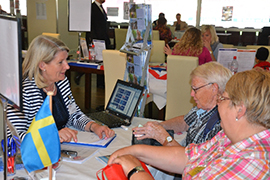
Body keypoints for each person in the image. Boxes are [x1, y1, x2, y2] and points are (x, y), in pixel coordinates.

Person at [108, 68, 270, 179]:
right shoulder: (231, 137)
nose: (219, 103)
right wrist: (135, 150)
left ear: (240, 110)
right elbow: (189, 157)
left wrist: (135, 171)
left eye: (223, 99)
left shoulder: (252, 162)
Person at [7, 35, 115, 142]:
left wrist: (94, 126)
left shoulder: (61, 82)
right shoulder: (23, 93)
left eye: (66, 60)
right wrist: (52, 136)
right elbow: (14, 137)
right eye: (60, 62)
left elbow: (74, 115)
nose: (67, 67)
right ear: (42, 65)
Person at [133, 62, 232, 148]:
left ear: (214, 89)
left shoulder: (220, 124)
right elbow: (185, 123)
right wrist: (159, 126)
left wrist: (163, 137)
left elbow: (190, 159)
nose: (192, 94)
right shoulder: (203, 108)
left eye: (195, 89)